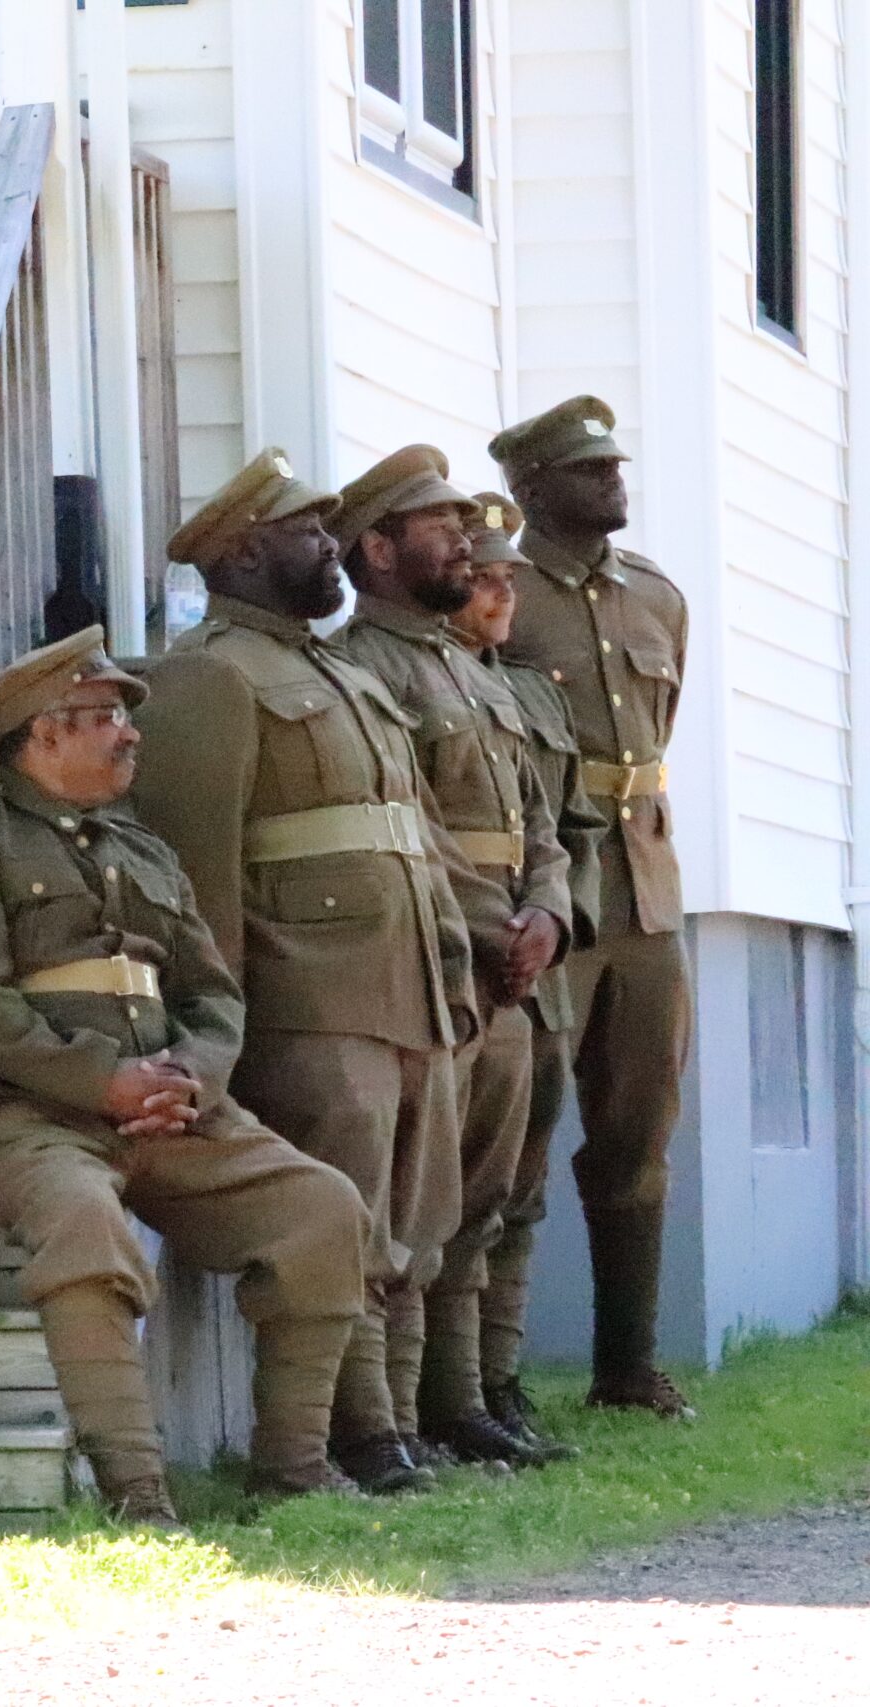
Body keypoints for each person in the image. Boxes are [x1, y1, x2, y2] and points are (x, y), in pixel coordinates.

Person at [0, 628, 370, 1525]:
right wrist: (102, 1083)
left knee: (323, 1207)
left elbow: (212, 992)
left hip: (168, 1110)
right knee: (83, 1220)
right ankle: (139, 1491)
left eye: (124, 714)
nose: (131, 734)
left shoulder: (144, 847)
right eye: (107, 716)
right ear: (44, 733)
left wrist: (191, 1075)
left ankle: (293, 1465)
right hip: (18, 1113)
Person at [129, 448, 480, 1496]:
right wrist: (215, 1026)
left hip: (405, 980)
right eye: (309, 533)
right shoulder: (208, 673)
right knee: (348, 1218)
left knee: (417, 1218)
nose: (332, 549)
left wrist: (451, 965)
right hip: (308, 991)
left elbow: (411, 837)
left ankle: (400, 1423)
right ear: (243, 551)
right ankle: (358, 1436)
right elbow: (197, 876)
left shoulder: (342, 670)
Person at [329, 447, 571, 1470]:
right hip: (440, 961)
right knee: (414, 1204)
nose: (464, 545)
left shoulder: (470, 672)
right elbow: (413, 833)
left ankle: (463, 1397)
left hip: (512, 960)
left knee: (484, 1201)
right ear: (376, 550)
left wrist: (548, 917)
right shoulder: (361, 668)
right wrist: (492, 931)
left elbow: (540, 827)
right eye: (436, 528)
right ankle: (394, 1413)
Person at [489, 396, 696, 1420]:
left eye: (615, 466)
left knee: (639, 1130)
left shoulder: (657, 596)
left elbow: (655, 738)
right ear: (533, 490)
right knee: (515, 1124)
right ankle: (486, 1379)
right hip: (543, 889)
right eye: (589, 470)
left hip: (646, 888)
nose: (614, 482)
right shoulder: (499, 595)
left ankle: (627, 1368)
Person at [448, 494, 597, 1461]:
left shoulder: (531, 695)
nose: (504, 592)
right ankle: (450, 1391)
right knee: (455, 1190)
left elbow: (565, 829)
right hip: (466, 963)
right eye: (488, 576)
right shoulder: (402, 678)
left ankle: (497, 1377)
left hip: (539, 970)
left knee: (522, 1187)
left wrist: (550, 912)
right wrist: (498, 924)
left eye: (511, 578)